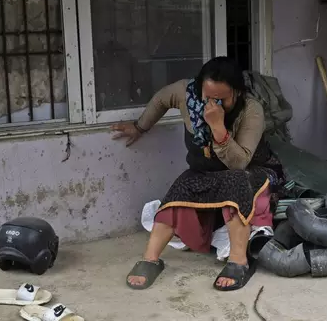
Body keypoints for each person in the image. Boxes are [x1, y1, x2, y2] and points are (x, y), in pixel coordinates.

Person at [111, 57, 283, 292]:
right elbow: (161, 98)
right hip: (206, 171)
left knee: (235, 182)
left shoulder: (251, 110)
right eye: (208, 97)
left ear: (238, 92)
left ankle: (238, 261)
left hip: (250, 171)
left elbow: (239, 162)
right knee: (180, 188)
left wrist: (218, 128)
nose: (214, 104)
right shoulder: (185, 92)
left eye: (222, 99)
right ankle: (150, 259)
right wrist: (140, 127)